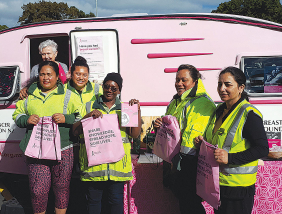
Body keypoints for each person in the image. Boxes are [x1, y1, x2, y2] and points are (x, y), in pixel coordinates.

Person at [195, 66, 269, 214]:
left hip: (238, 189)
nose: (222, 89)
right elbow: (218, 142)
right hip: (218, 185)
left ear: (241, 87)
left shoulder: (249, 114)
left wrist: (230, 158)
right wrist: (202, 144)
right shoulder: (219, 111)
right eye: (219, 84)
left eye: (228, 84)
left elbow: (262, 149)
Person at [12, 61, 82, 214]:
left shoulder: (68, 94)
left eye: (49, 74)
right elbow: (17, 115)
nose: (45, 78)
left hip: (63, 149)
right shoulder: (29, 94)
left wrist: (66, 118)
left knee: (61, 188)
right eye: (42, 74)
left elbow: (81, 116)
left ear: (57, 76)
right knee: (38, 190)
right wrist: (26, 120)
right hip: (36, 150)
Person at [73, 72, 142, 214]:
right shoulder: (88, 106)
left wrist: (136, 111)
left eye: (114, 88)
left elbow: (134, 134)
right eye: (107, 86)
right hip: (94, 167)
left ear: (119, 91)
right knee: (93, 202)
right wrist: (88, 116)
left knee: (115, 201)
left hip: (117, 167)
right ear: (102, 87)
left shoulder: (125, 109)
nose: (109, 90)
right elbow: (74, 132)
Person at [154, 64, 216, 214]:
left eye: (184, 80)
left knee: (190, 202)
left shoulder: (202, 102)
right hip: (178, 160)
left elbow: (191, 136)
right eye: (177, 80)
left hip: (190, 161)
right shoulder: (177, 100)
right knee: (184, 201)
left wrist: (179, 161)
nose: (179, 83)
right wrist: (159, 125)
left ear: (195, 81)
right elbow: (172, 127)